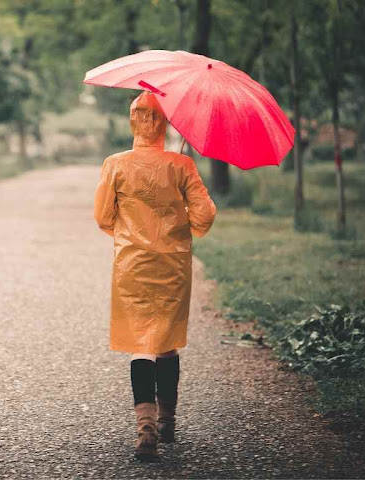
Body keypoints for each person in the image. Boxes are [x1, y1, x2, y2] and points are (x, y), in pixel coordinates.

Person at [93, 91, 216, 461]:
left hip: (133, 265)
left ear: (133, 122)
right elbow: (205, 217)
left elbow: (102, 217)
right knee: (166, 341)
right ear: (165, 124)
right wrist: (186, 221)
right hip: (173, 266)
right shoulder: (182, 165)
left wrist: (130, 233)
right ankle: (168, 422)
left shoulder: (115, 164)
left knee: (140, 344)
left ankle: (144, 428)